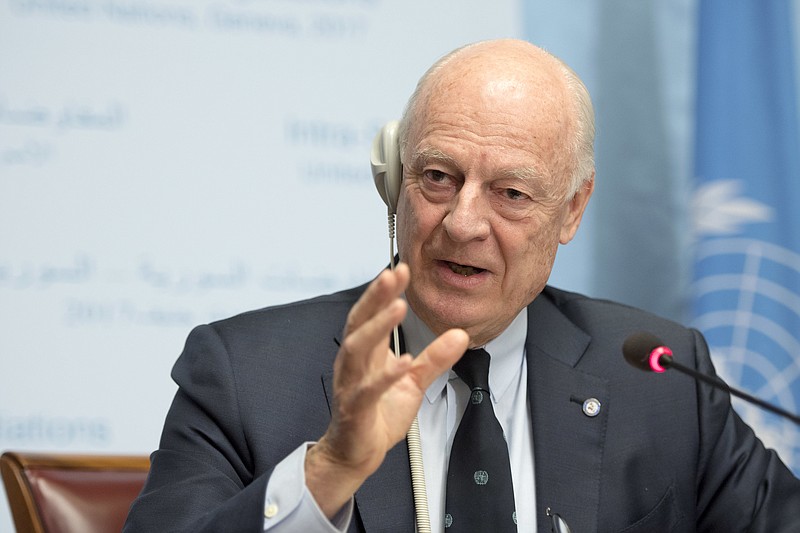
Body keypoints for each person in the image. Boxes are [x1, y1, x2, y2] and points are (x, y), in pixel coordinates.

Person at [124, 39, 800, 532]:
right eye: (438, 177)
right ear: (392, 180)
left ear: (571, 209)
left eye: (510, 192)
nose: (463, 222)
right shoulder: (244, 375)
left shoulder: (662, 379)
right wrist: (329, 468)